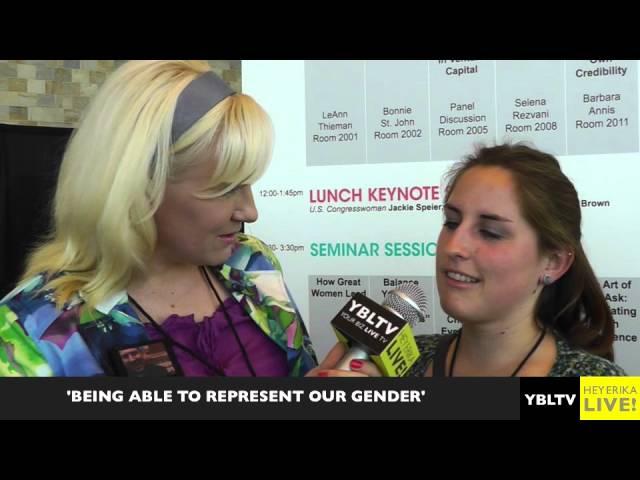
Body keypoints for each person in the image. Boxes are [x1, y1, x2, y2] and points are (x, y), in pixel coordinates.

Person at [0, 60, 349, 378]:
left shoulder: (251, 264)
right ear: (138, 188)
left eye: (248, 184)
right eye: (224, 187)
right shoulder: (32, 332)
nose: (249, 212)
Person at [407, 143, 626, 377]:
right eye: (451, 222)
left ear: (554, 262)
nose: (453, 246)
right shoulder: (403, 363)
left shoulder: (602, 383)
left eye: (491, 232)